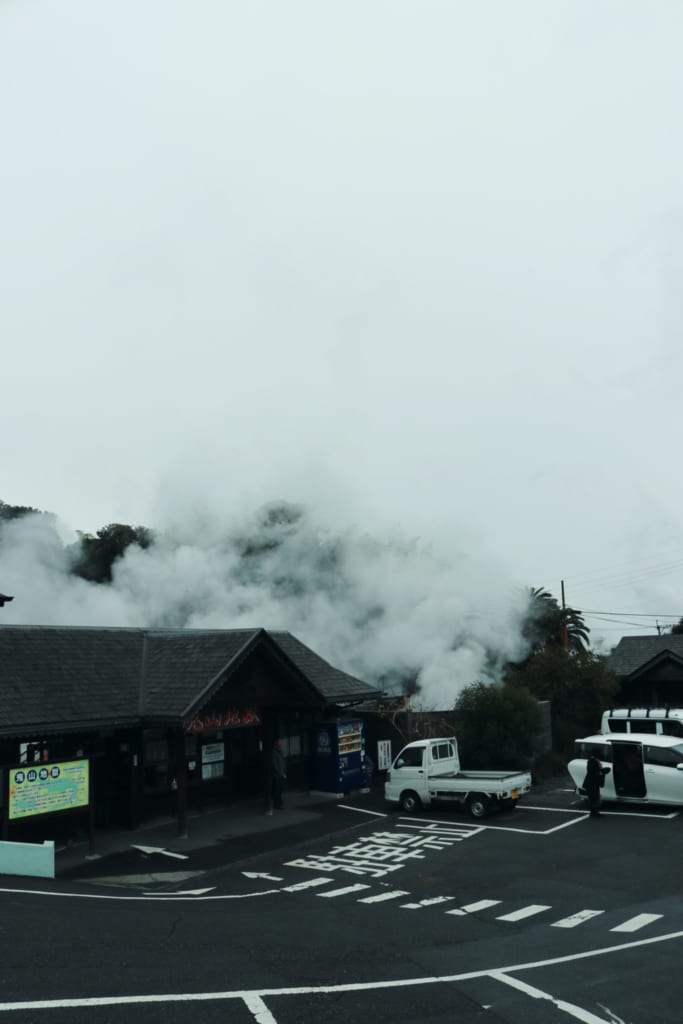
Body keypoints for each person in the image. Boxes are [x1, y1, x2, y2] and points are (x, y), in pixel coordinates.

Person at [584, 747, 604, 817]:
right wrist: (600, 772)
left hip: (592, 782)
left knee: (594, 797)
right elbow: (592, 771)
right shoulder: (592, 761)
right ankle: (594, 812)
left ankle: (594, 812)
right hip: (592, 782)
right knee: (594, 797)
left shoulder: (593, 760)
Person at [271, 738, 287, 810]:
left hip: (282, 774)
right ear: (276, 743)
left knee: (280, 789)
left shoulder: (281, 751)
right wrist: (280, 772)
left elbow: (283, 762)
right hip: (277, 775)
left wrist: (284, 771)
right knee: (277, 790)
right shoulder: (274, 752)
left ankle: (279, 802)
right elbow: (274, 765)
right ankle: (277, 803)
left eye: (281, 742)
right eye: (279, 742)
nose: (281, 744)